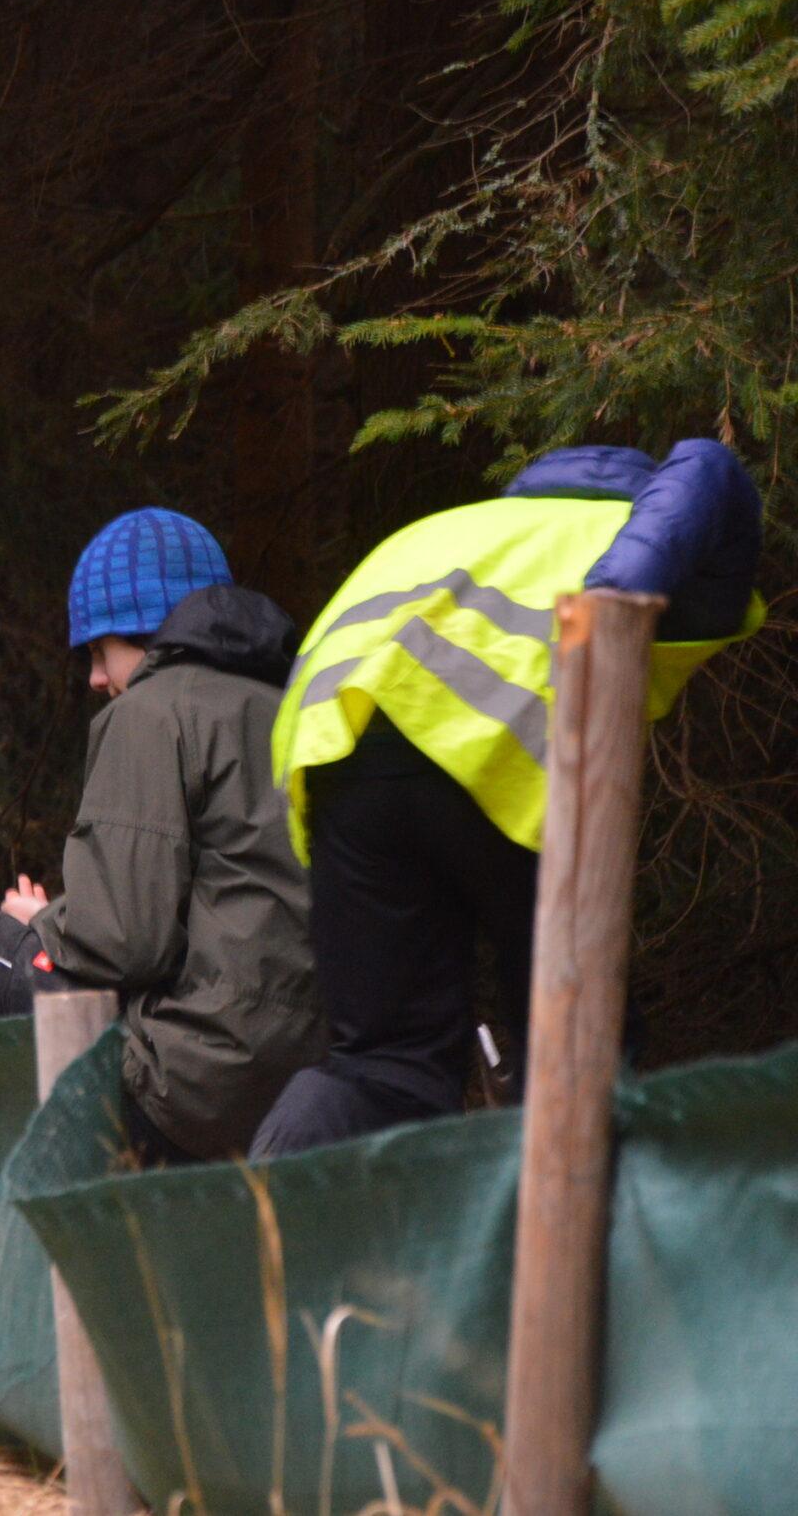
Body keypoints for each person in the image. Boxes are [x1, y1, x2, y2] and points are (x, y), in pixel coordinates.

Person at [250, 440, 762, 1158]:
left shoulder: (457, 531)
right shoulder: (621, 533)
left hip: (336, 752)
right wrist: (616, 595)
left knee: (383, 1062)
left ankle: (278, 1235)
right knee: (577, 1048)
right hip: (492, 750)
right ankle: (556, 1255)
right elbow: (711, 466)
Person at [0, 510, 323, 1164]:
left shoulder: (153, 710)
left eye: (100, 651)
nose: (95, 679)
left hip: (187, 1088)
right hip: (303, 1089)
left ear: (154, 630)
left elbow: (121, 944)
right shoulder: (295, 706)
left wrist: (43, 925)